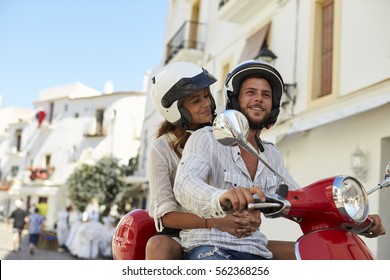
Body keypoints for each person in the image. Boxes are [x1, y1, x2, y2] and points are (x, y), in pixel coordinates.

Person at [173, 59, 386, 260]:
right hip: (209, 248)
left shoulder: (271, 155)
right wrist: (222, 197)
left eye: (266, 95)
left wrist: (358, 221)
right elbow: (185, 184)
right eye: (250, 92)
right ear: (235, 99)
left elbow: (303, 200)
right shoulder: (208, 138)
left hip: (257, 252)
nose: (259, 98)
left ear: (272, 104)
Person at [146, 61, 261, 260]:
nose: (206, 103)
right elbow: (166, 217)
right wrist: (216, 221)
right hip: (186, 237)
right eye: (196, 100)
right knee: (157, 245)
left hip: (233, 234)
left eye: (206, 95)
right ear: (175, 109)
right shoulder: (162, 148)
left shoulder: (224, 136)